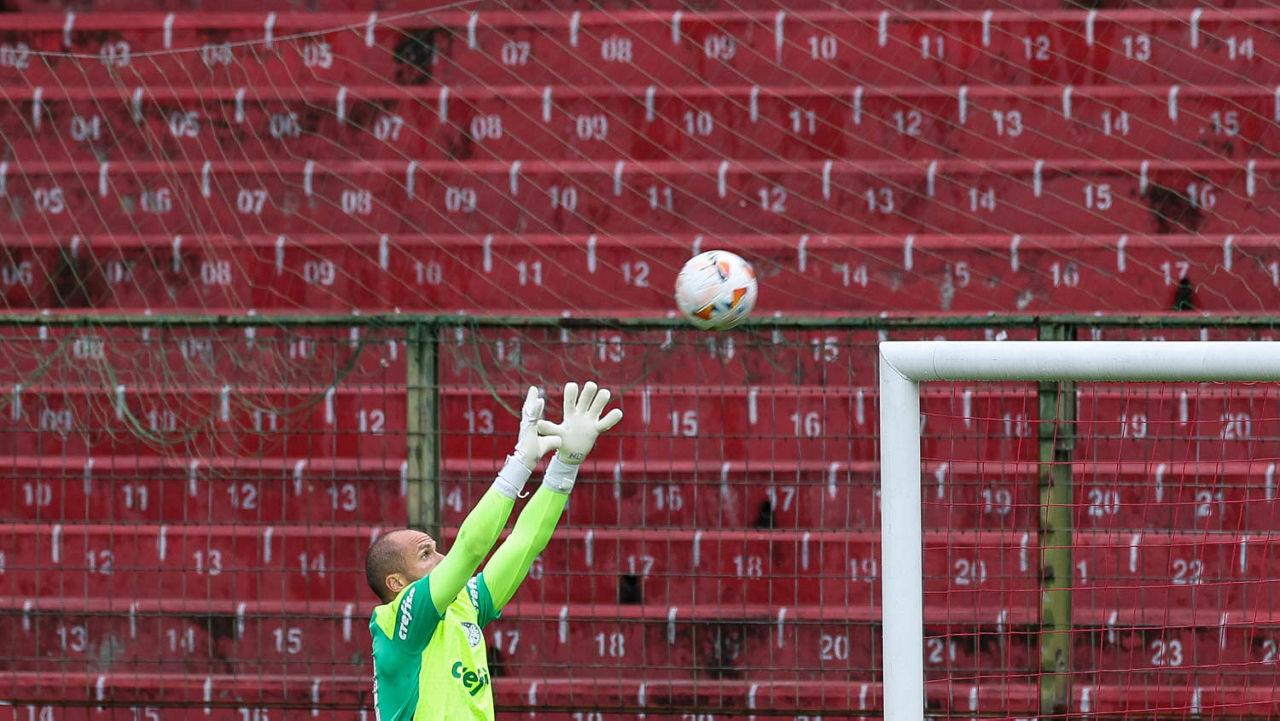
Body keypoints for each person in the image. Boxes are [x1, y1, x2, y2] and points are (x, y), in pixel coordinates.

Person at [366, 381, 623, 721]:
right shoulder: (398, 619)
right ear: (396, 583)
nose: (442, 558)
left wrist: (566, 464)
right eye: (426, 554)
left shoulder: (464, 603)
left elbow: (524, 543)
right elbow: (469, 550)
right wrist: (520, 464)